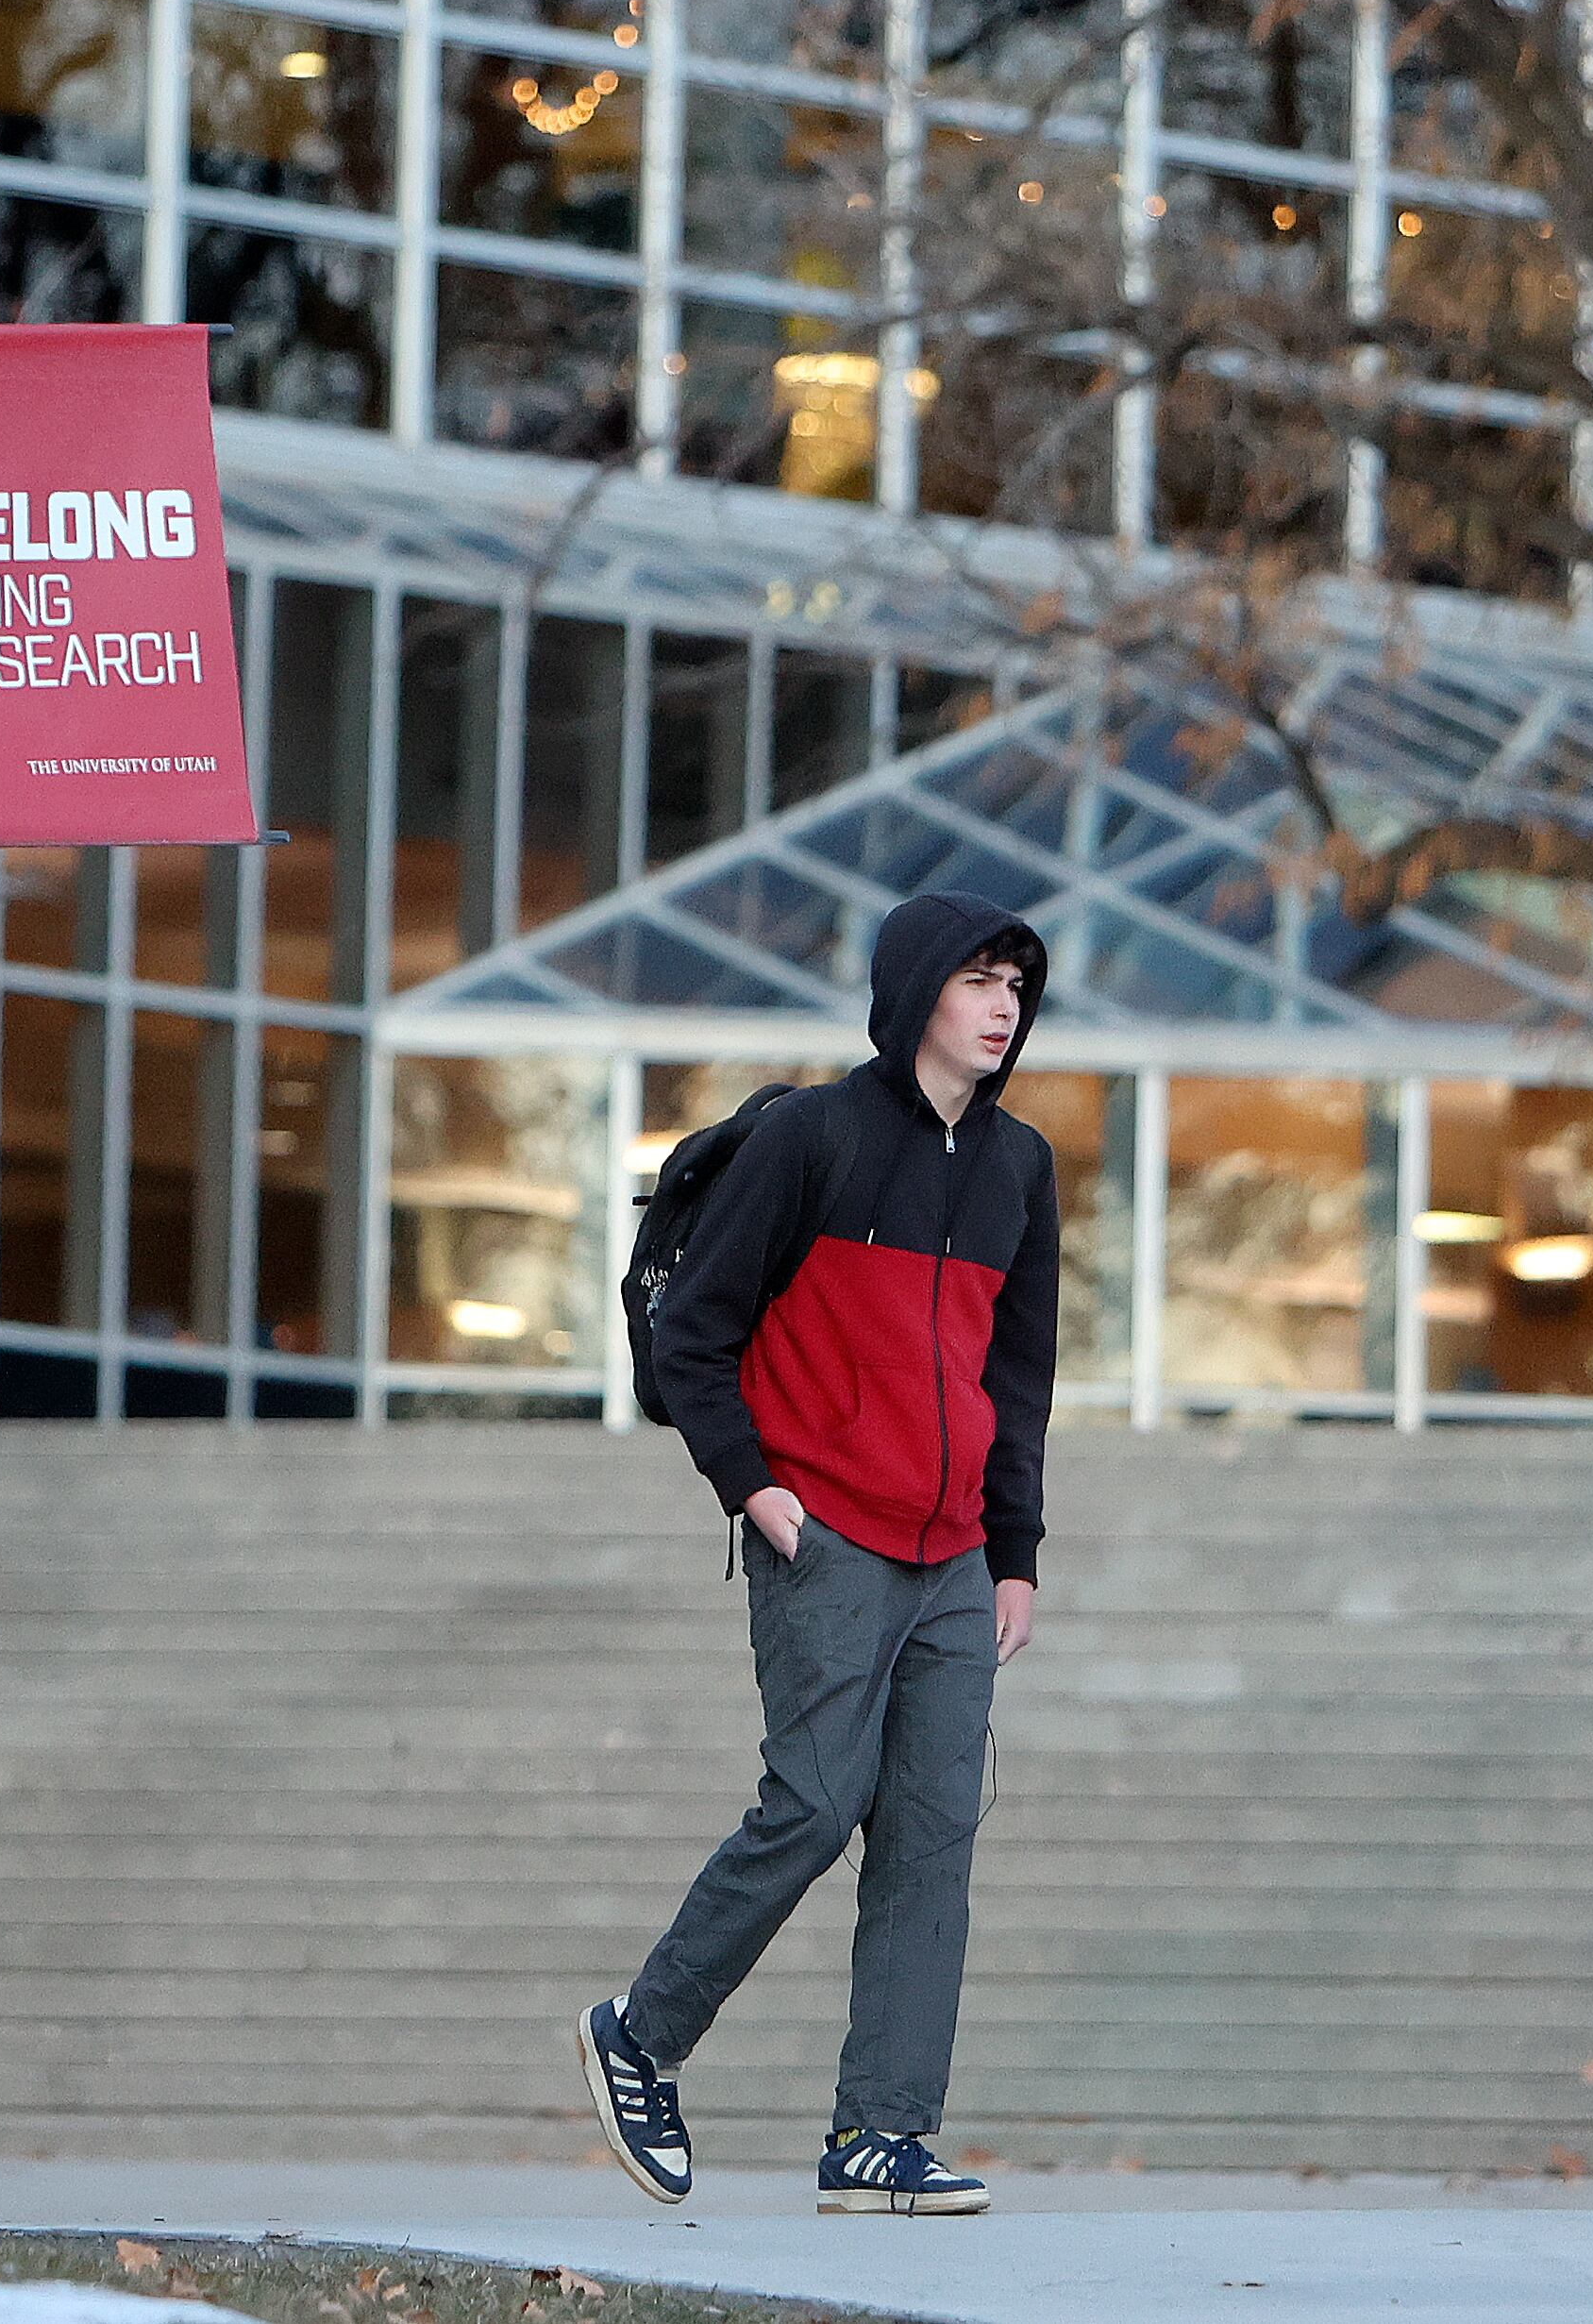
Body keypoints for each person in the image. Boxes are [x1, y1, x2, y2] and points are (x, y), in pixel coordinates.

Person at [578, 889, 1056, 2217]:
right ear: (914, 991)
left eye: (1017, 979)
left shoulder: (1020, 1168)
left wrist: (1011, 1549)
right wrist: (754, 1485)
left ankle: (879, 2137)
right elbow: (698, 1332)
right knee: (812, 1799)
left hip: (954, 1553)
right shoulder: (811, 1138)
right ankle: (641, 2031)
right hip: (827, 1526)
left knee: (930, 1835)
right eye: (977, 976)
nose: (1003, 1000)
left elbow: (1019, 1376)